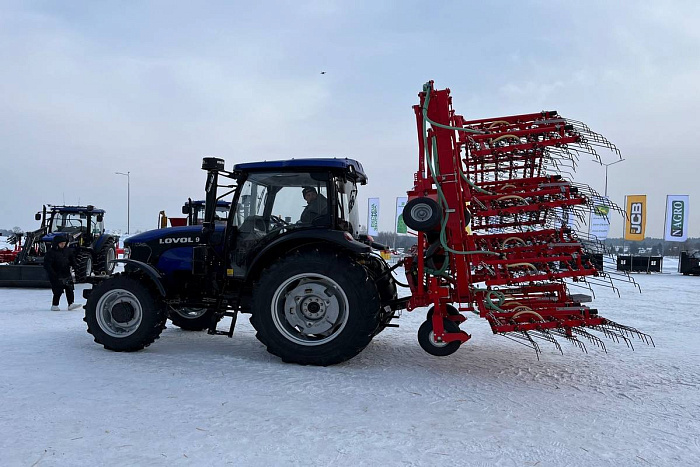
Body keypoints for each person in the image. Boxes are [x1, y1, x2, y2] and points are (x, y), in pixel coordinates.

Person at [43, 235, 81, 311]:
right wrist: (53, 274)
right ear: (56, 243)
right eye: (61, 244)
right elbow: (47, 265)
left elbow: (72, 260)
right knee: (58, 290)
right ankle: (55, 305)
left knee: (69, 288)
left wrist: (76, 266)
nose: (63, 245)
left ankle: (71, 304)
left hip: (66, 273)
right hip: (56, 274)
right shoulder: (50, 253)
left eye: (64, 243)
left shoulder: (67, 251)